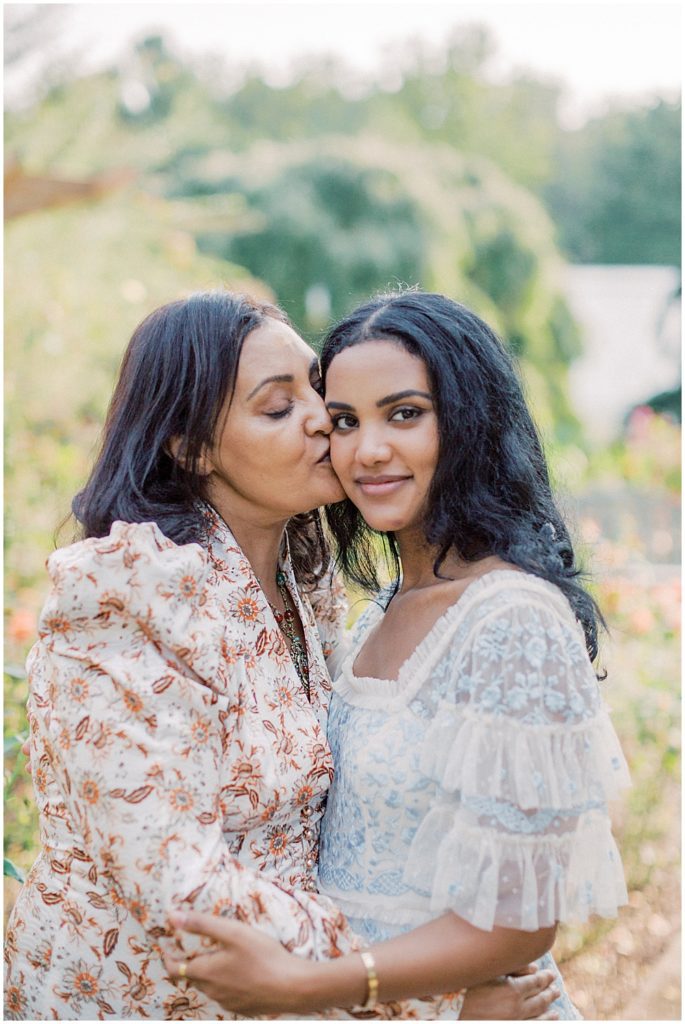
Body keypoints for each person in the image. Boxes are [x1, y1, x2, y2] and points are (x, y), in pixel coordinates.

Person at [5, 290, 559, 1021]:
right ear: (190, 447)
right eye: (276, 408)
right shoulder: (126, 593)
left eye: (318, 393)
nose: (320, 421)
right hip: (132, 998)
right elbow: (178, 882)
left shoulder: (306, 575)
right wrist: (418, 982)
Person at [163, 291, 630, 1019]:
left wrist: (300, 986)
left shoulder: (510, 620)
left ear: (469, 422)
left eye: (403, 414)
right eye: (344, 421)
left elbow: (516, 923)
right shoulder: (376, 612)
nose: (366, 450)